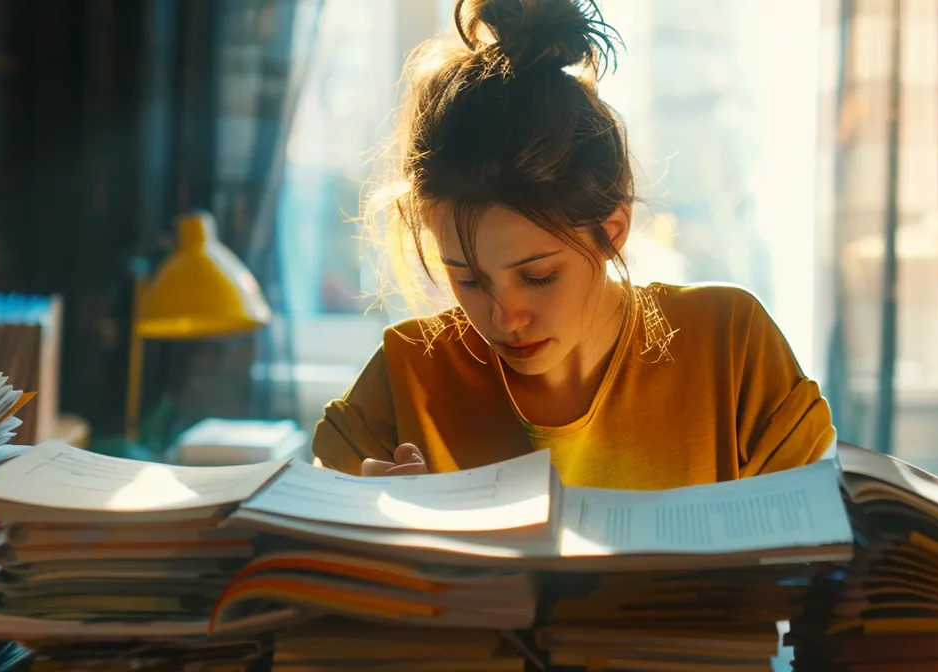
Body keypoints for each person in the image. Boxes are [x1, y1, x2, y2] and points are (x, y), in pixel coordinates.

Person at [311, 0, 834, 490]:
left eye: (538, 276)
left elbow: (830, 556)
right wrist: (368, 531)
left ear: (612, 231)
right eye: (467, 278)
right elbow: (289, 561)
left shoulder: (728, 345)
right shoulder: (408, 375)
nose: (504, 317)